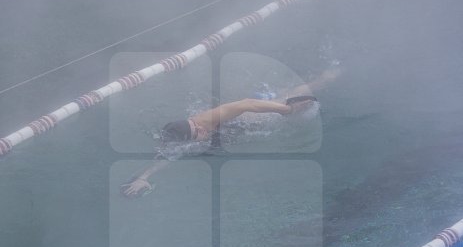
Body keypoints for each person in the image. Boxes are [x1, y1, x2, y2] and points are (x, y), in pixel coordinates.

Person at [120, 66, 341, 197]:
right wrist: (143, 178)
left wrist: (286, 110)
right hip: (242, 129)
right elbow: (167, 157)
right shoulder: (183, 140)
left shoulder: (206, 120)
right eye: (196, 132)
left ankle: (330, 76)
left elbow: (245, 104)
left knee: (294, 94)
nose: (200, 130)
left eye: (198, 127)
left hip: (257, 113)